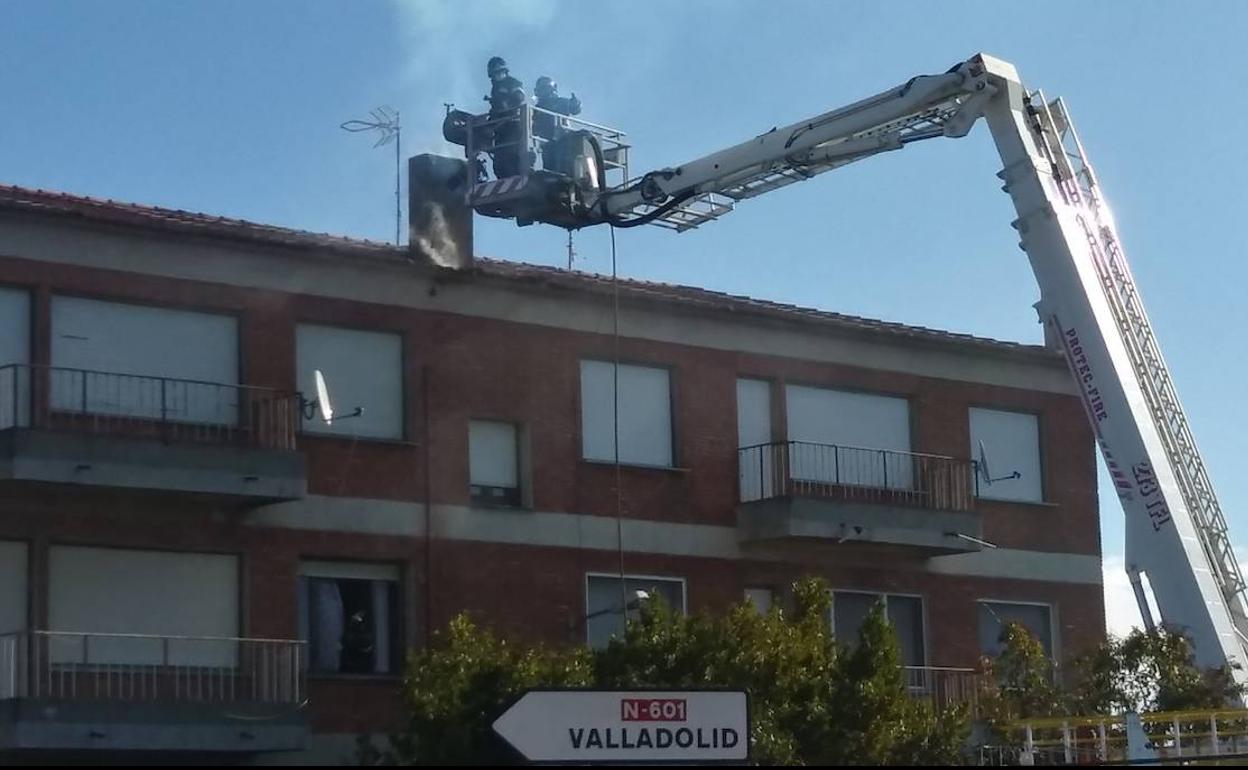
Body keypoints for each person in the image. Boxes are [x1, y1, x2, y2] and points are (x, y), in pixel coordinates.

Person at [485, 56, 527, 178]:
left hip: (513, 124)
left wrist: (507, 103)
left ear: (505, 71)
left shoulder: (513, 82)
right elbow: (495, 109)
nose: (498, 75)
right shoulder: (495, 89)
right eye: (495, 74)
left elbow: (519, 97)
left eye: (500, 72)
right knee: (500, 161)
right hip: (500, 129)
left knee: (513, 156)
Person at [532, 76, 582, 142]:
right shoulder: (537, 108)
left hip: (561, 137)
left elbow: (575, 110)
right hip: (544, 139)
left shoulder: (562, 102)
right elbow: (533, 123)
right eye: (541, 90)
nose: (542, 93)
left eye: (544, 89)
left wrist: (575, 103)